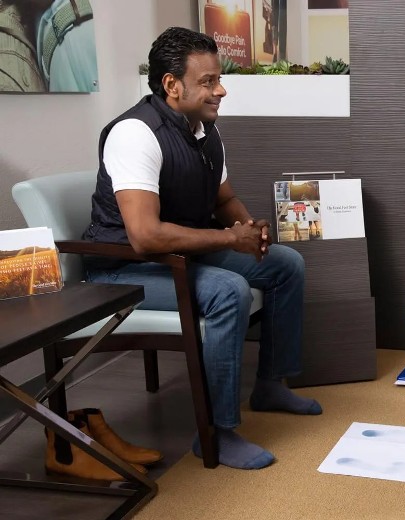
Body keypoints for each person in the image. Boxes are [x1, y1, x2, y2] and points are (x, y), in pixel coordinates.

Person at [82, 27, 322, 471]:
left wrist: (248, 229)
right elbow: (145, 236)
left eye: (219, 79)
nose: (221, 90)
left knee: (285, 264)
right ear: (172, 85)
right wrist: (230, 239)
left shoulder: (204, 129)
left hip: (180, 254)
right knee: (227, 290)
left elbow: (222, 199)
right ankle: (217, 431)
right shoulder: (134, 134)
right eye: (209, 81)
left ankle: (270, 385)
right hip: (122, 268)